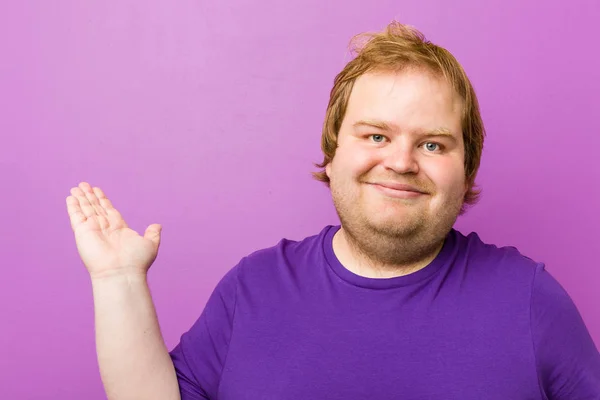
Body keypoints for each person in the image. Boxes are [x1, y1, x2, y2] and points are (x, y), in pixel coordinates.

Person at [66, 21, 600, 400]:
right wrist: (117, 280)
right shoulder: (254, 287)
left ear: (467, 171)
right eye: (375, 134)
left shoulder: (530, 300)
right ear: (334, 149)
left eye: (434, 144)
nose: (401, 162)